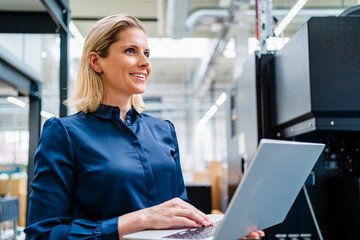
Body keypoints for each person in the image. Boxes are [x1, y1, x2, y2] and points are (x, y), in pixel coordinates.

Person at [24, 14, 265, 240]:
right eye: (131, 51)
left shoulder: (163, 131)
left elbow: (178, 217)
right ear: (96, 61)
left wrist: (220, 234)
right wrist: (140, 219)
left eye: (147, 53)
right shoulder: (64, 133)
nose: (145, 63)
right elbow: (43, 233)